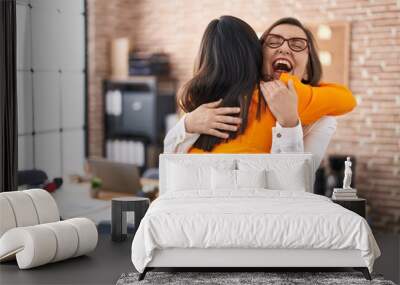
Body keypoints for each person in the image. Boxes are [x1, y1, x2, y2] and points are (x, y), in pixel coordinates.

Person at [164, 16, 355, 168]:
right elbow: (170, 159)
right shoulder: (208, 102)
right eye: (273, 42)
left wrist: (289, 123)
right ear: (257, 56)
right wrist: (187, 124)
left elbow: (297, 185)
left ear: (307, 70)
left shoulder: (198, 91)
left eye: (297, 44)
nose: (284, 48)